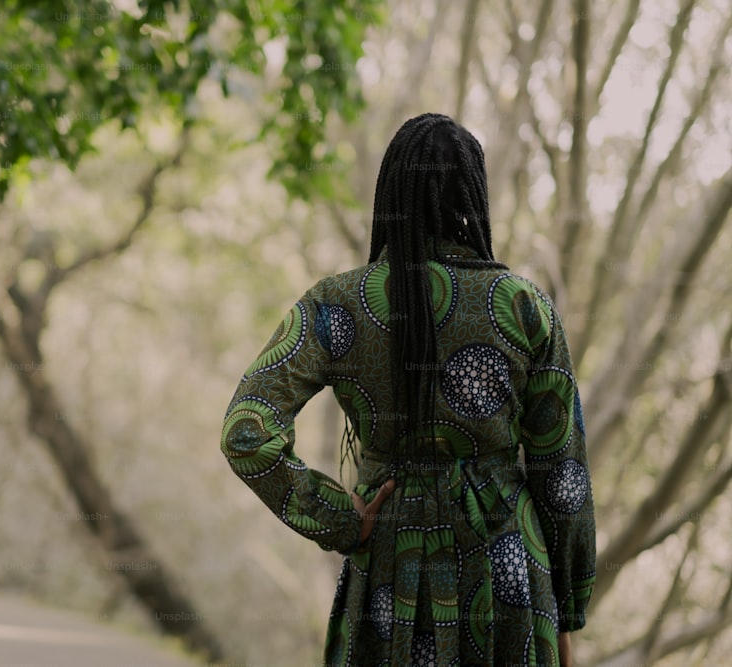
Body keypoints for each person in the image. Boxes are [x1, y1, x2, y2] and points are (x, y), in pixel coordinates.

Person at [219, 113, 595, 666]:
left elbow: (246, 433)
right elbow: (562, 479)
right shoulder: (523, 307)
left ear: (388, 193)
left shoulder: (336, 304)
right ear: (473, 195)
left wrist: (339, 518)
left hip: (388, 573)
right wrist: (565, 611)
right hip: (510, 576)